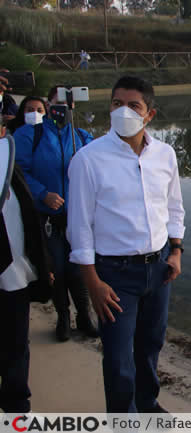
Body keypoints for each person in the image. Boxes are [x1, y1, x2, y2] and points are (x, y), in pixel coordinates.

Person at [67, 76, 185, 413]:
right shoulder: (88, 160)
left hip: (159, 269)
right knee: (118, 358)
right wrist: (92, 283)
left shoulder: (164, 154)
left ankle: (147, 404)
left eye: (133, 105)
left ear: (150, 114)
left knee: (150, 346)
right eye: (117, 103)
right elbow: (79, 228)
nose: (123, 111)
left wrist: (176, 251)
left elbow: (174, 207)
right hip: (115, 275)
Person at [13, 86, 97, 342]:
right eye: (55, 103)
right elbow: (18, 170)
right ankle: (63, 317)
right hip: (47, 217)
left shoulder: (82, 137)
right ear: (48, 106)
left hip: (77, 217)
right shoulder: (30, 134)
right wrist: (42, 194)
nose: (61, 109)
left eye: (66, 104)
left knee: (78, 266)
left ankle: (84, 315)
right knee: (57, 268)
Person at [1, 127, 53, 414]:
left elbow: (30, 220)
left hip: (14, 275)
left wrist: (43, 265)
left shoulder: (8, 163)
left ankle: (17, 408)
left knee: (17, 345)